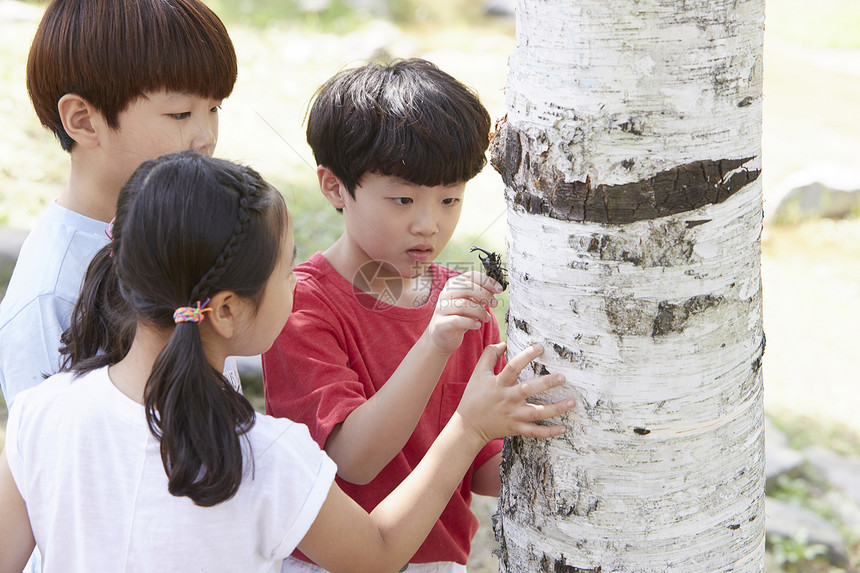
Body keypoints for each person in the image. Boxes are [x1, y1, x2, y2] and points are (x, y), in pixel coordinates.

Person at [0, 151, 575, 573]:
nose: (297, 285)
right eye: (285, 271)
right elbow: (377, 551)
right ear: (226, 310)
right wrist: (469, 426)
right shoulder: (259, 455)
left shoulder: (38, 413)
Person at [262, 58, 508, 572]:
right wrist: (436, 344)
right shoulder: (301, 305)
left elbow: (486, 469)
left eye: (450, 199)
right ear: (333, 187)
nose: (429, 224)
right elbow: (353, 459)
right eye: (402, 199)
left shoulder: (462, 307)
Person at [0, 0, 238, 409]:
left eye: (214, 108)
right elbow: (47, 461)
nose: (206, 136)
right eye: (181, 113)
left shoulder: (184, 223)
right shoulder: (50, 297)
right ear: (84, 120)